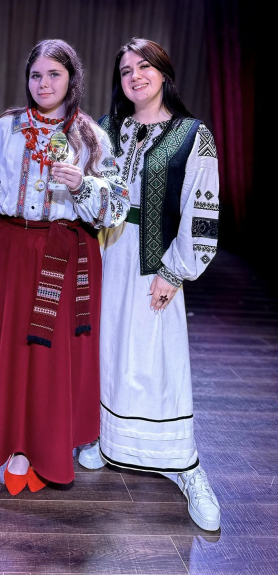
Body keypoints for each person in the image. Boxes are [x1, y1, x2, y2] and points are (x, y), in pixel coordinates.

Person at [0, 39, 130, 493]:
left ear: (72, 79)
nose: (44, 84)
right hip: (10, 249)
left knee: (51, 355)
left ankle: (50, 445)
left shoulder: (91, 136)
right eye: (36, 75)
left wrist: (83, 185)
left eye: (54, 74)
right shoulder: (7, 127)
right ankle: (11, 445)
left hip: (63, 253)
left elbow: (117, 207)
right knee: (11, 349)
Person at [86, 37, 221, 532]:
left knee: (157, 357)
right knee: (109, 348)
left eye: (145, 67)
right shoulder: (106, 129)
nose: (135, 76)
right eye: (126, 70)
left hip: (155, 259)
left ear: (164, 73)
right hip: (107, 255)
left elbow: (201, 208)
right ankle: (108, 439)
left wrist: (175, 271)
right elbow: (87, 189)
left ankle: (185, 465)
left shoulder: (192, 134)